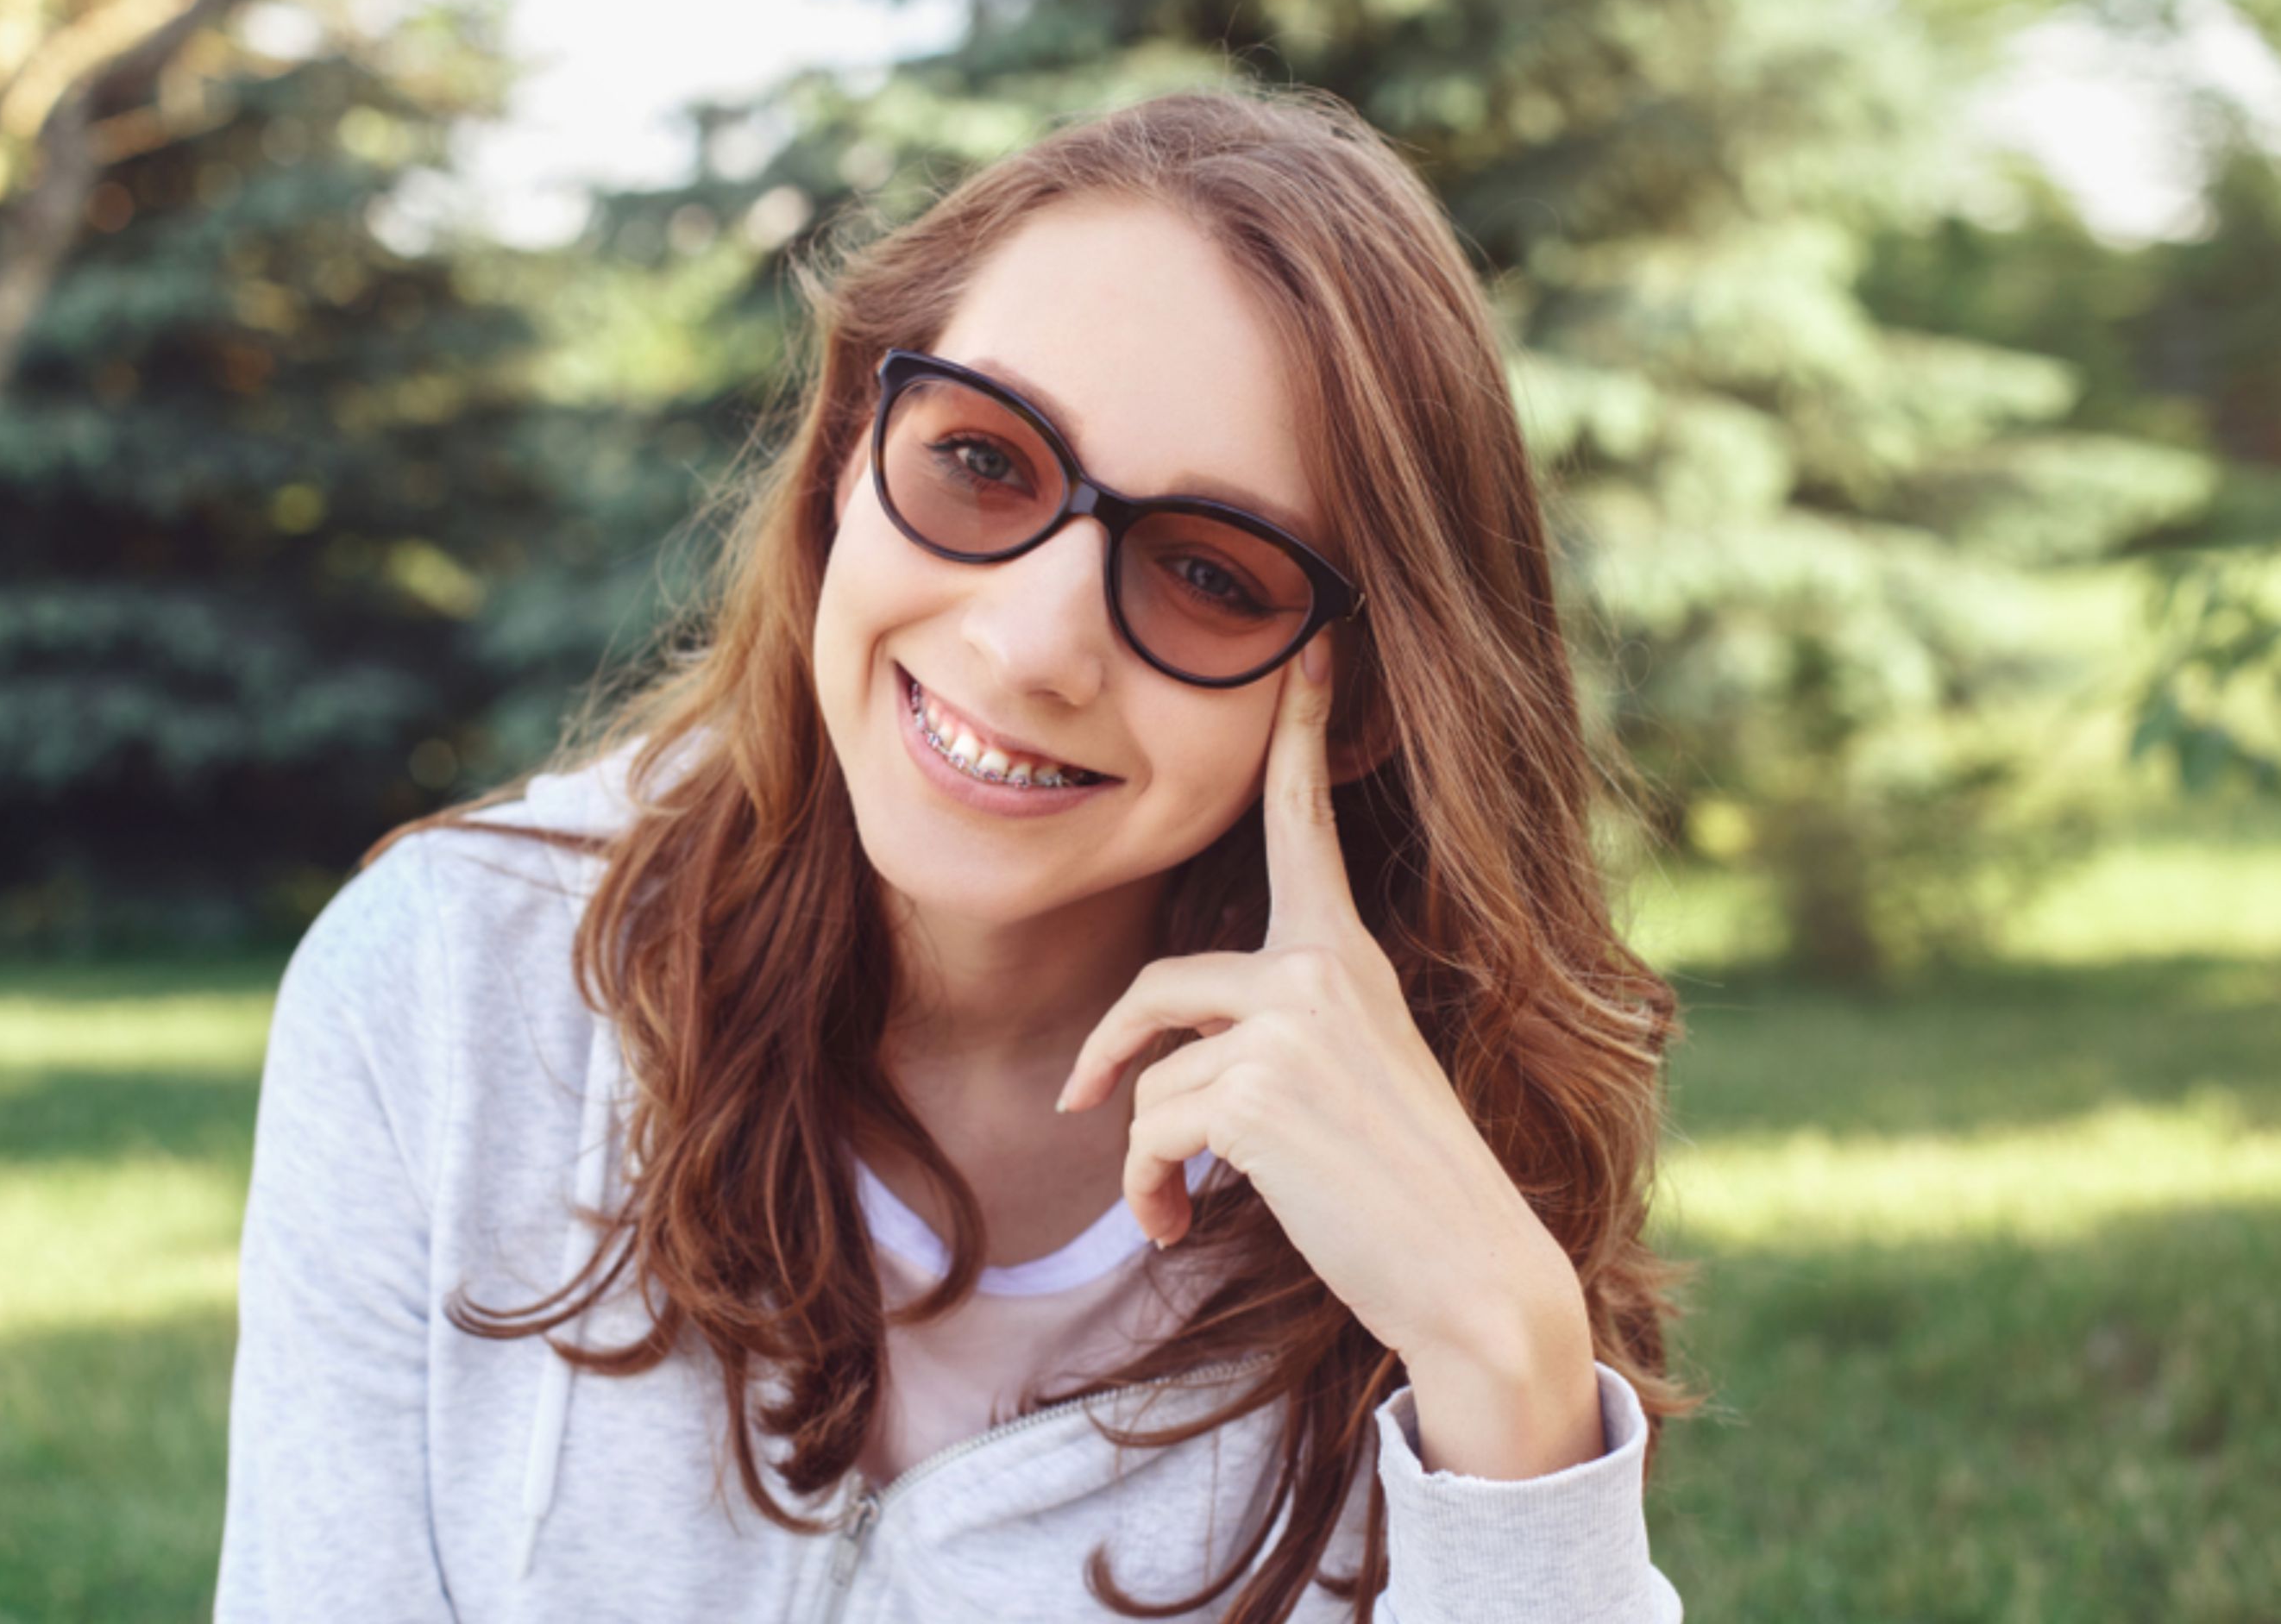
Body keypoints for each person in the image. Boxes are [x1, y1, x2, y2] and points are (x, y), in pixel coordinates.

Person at [213, 84, 1700, 1623]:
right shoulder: (451, 983)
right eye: (984, 462)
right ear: (849, 452)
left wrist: (1509, 1368)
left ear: (1369, 701)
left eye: (1207, 571)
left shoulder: (1417, 1159)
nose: (1033, 641)